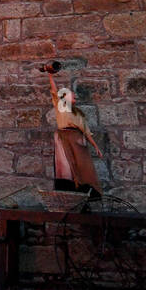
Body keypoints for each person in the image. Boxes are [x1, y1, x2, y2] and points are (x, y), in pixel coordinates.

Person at [46, 69, 103, 198]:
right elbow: (54, 91)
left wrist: (96, 147)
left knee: (83, 167)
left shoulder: (79, 114)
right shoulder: (61, 106)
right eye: (71, 95)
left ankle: (87, 195)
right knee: (66, 168)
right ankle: (67, 195)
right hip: (64, 138)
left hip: (77, 140)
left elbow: (87, 132)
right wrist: (50, 76)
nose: (74, 96)